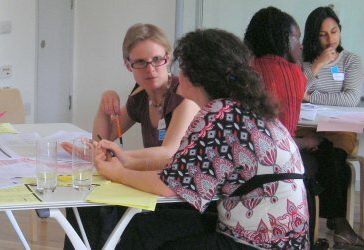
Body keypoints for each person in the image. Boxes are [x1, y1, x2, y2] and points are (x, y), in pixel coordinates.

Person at [96, 29, 309, 249]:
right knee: (146, 228)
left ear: (195, 74)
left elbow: (169, 186)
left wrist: (118, 173)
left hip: (258, 242)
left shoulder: (218, 116)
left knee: (149, 234)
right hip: (283, 238)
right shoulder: (240, 109)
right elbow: (183, 172)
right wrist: (127, 163)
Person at [64, 23, 201, 250]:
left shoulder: (184, 97)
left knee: (103, 211)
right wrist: (103, 106)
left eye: (157, 59)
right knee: (85, 205)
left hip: (180, 194)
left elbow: (168, 153)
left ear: (168, 58)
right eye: (140, 62)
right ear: (128, 66)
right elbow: (103, 140)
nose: (150, 69)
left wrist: (119, 158)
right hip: (151, 186)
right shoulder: (140, 96)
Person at [243, 6, 325, 246]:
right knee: (326, 159)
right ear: (280, 39)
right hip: (274, 171)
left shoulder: (245, 69)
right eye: (296, 37)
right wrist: (305, 142)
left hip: (242, 166)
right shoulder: (291, 74)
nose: (300, 45)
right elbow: (279, 141)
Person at [299, 6, 364, 248]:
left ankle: (338, 224)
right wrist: (315, 66)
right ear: (312, 36)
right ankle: (329, 226)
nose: (330, 39)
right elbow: (296, 92)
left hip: (339, 128)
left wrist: (311, 94)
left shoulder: (350, 60)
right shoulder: (302, 61)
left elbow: (350, 99)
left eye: (334, 32)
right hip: (305, 128)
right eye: (323, 34)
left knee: (334, 158)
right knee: (312, 160)